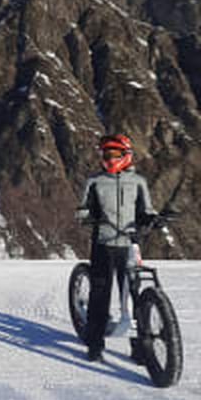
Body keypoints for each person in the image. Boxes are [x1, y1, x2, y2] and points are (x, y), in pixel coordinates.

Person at [76, 134, 158, 362]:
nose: (110, 158)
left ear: (126, 155)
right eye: (106, 154)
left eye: (115, 154)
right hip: (103, 242)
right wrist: (88, 217)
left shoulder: (138, 181)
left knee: (133, 295)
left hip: (130, 243)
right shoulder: (94, 181)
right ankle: (95, 343)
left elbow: (146, 209)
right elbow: (83, 209)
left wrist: (150, 219)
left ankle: (140, 346)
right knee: (100, 293)